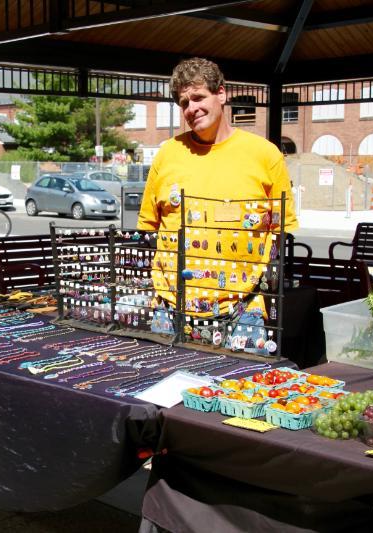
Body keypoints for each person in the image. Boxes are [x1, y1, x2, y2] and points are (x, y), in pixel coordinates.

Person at [137, 57, 298, 355]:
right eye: (184, 103)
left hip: (243, 312)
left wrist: (265, 290)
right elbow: (148, 228)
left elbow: (280, 233)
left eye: (198, 97)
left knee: (242, 397)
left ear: (221, 94)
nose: (191, 108)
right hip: (170, 311)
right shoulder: (167, 155)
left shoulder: (265, 155)